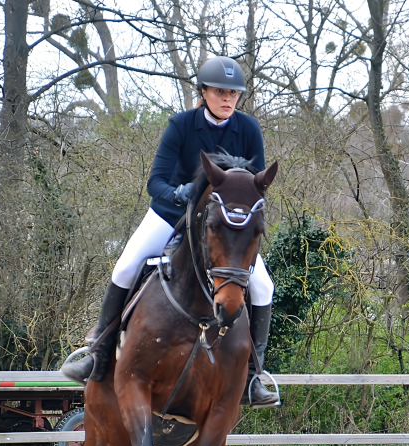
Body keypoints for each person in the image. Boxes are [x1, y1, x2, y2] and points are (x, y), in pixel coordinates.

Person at [61, 56, 280, 409]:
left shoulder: (248, 129)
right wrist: (178, 194)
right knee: (126, 266)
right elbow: (156, 181)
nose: (228, 99)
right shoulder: (181, 125)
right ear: (204, 92)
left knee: (263, 285)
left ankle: (254, 376)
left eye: (233, 93)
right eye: (220, 91)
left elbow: (254, 185)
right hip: (172, 212)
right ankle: (97, 354)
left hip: (224, 225)